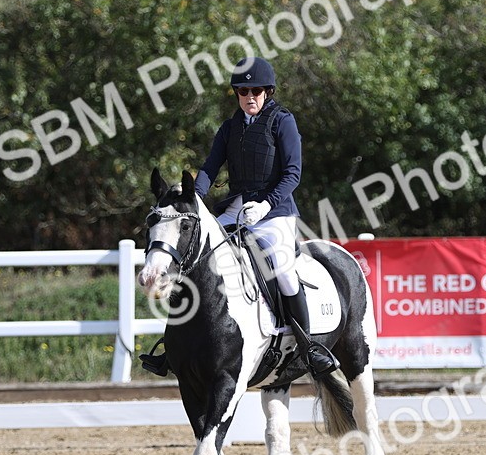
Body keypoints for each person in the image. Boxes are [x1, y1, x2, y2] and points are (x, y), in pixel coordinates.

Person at [140, 57, 338, 377]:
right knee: (197, 259)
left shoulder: (282, 121)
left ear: (267, 92)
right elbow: (208, 168)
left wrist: (266, 204)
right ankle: (173, 346)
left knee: (284, 270)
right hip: (236, 210)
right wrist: (192, 198)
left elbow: (293, 173)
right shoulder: (230, 127)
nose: (250, 97)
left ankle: (309, 347)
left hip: (274, 212)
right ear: (236, 94)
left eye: (256, 91)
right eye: (243, 91)